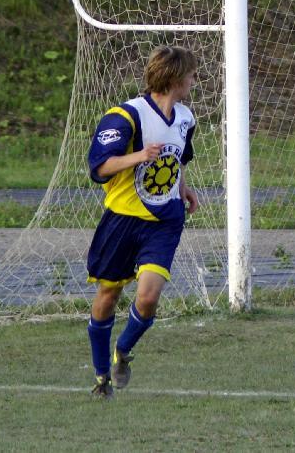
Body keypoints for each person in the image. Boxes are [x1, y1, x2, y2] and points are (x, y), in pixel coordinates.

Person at [85, 45, 200, 398]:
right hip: (122, 220)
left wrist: (183, 187)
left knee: (148, 298)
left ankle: (124, 350)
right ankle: (102, 375)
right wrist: (137, 155)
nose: (195, 80)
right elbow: (100, 167)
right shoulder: (124, 116)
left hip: (164, 220)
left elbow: (175, 159)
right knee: (109, 294)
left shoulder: (186, 118)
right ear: (175, 79)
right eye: (191, 75)